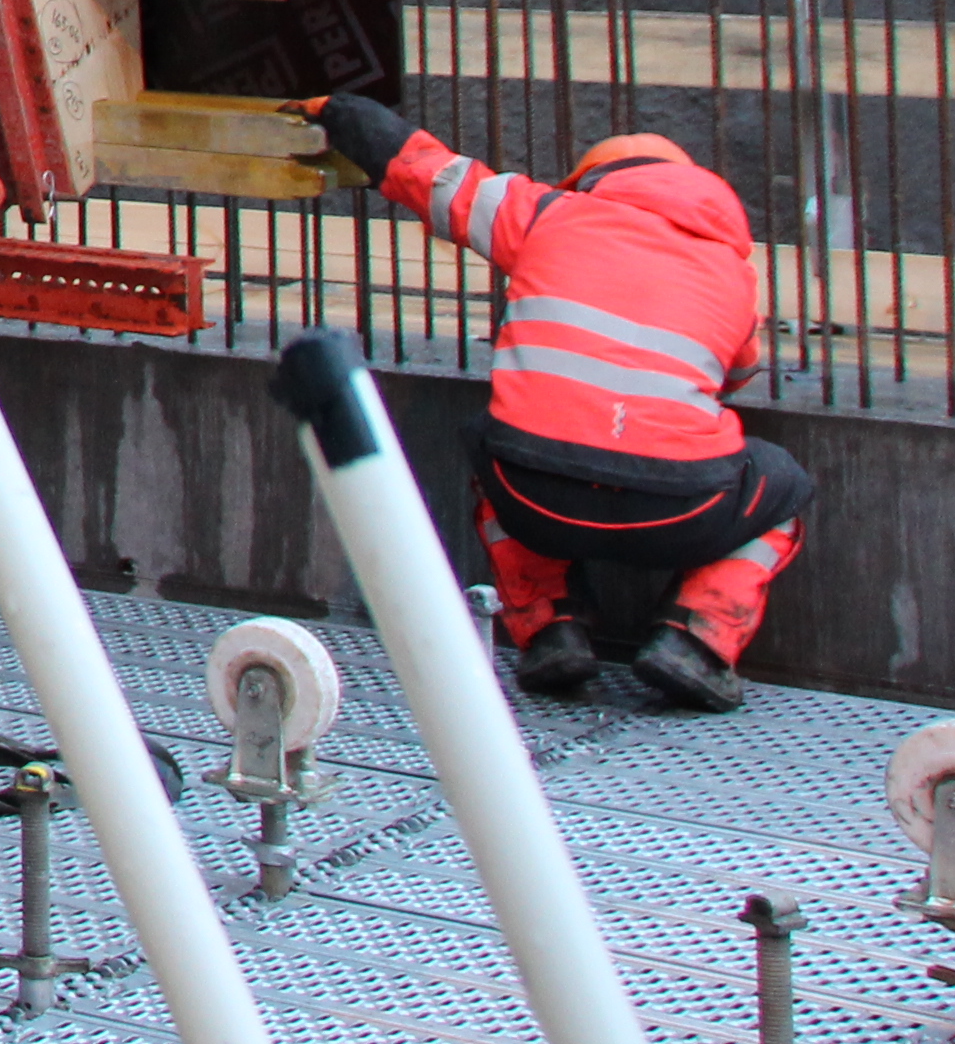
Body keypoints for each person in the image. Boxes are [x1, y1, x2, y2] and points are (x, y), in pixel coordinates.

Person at [306, 92, 804, 710]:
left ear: (591, 182)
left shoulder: (548, 214)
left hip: (533, 497)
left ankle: (548, 632)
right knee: (785, 487)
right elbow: (738, 373)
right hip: (681, 508)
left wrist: (343, 111)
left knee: (491, 444)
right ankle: (697, 641)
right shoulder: (733, 272)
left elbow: (434, 177)